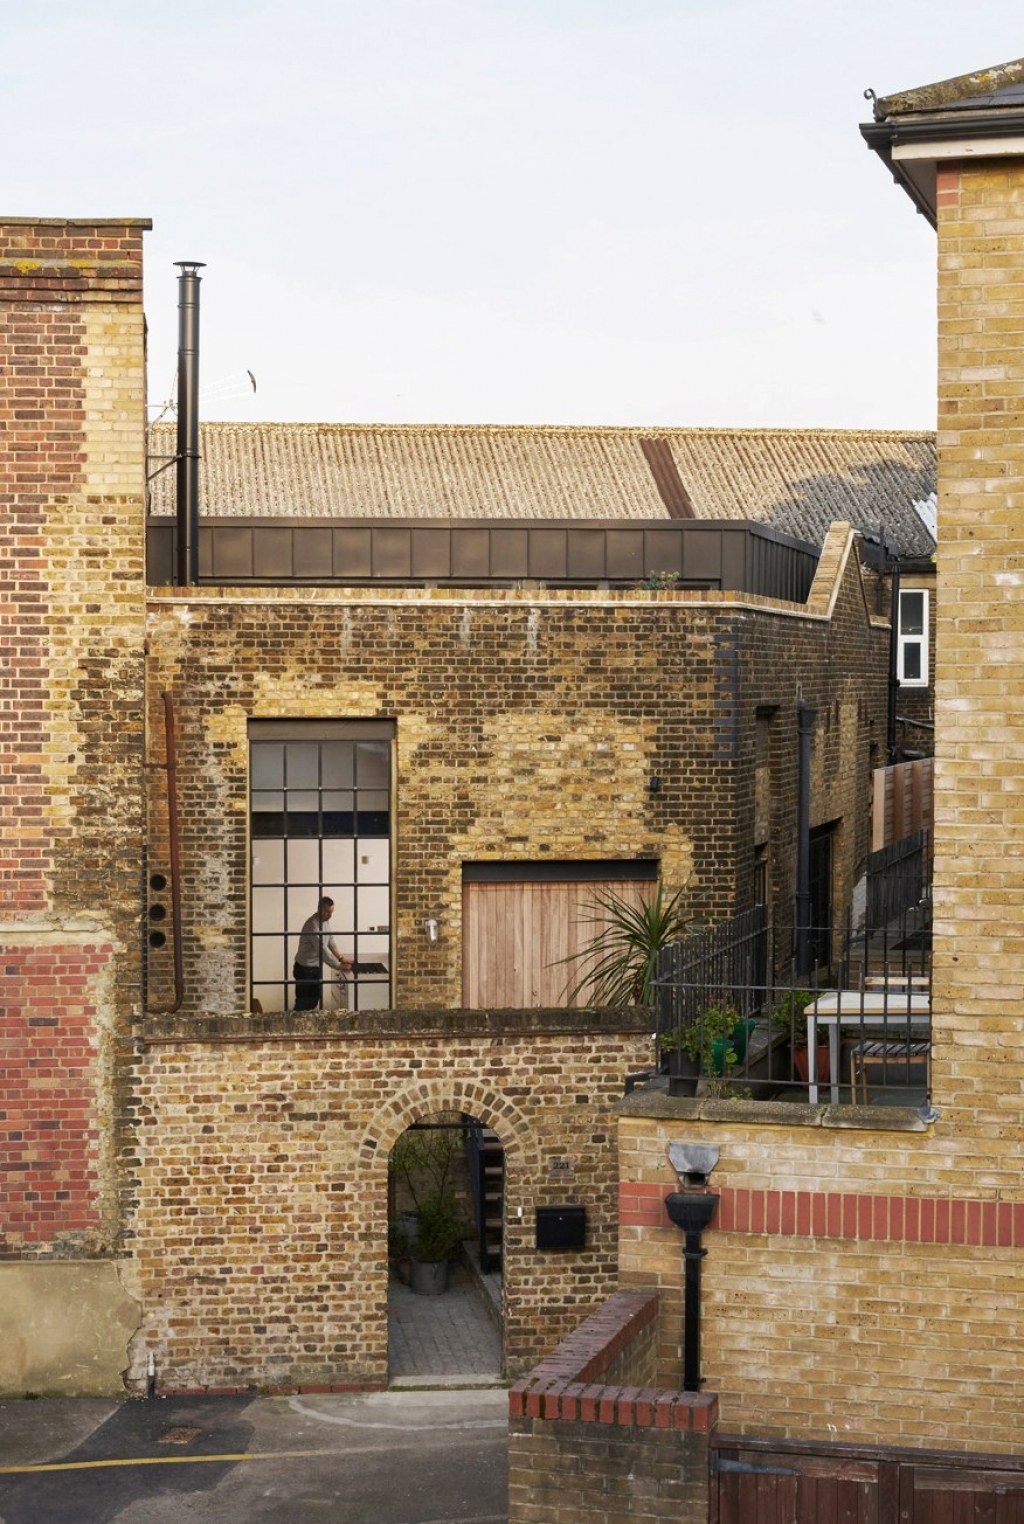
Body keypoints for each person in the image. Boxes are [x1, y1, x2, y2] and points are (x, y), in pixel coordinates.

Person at [293, 896, 352, 1011]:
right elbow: (322, 950)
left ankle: (305, 1026)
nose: (330, 915)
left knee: (314, 1001)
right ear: (319, 909)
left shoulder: (325, 922)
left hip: (315, 968)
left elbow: (330, 940)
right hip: (304, 970)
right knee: (302, 1005)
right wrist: (338, 966)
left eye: (331, 912)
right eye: (327, 912)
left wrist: (341, 958)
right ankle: (294, 1026)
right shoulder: (312, 925)